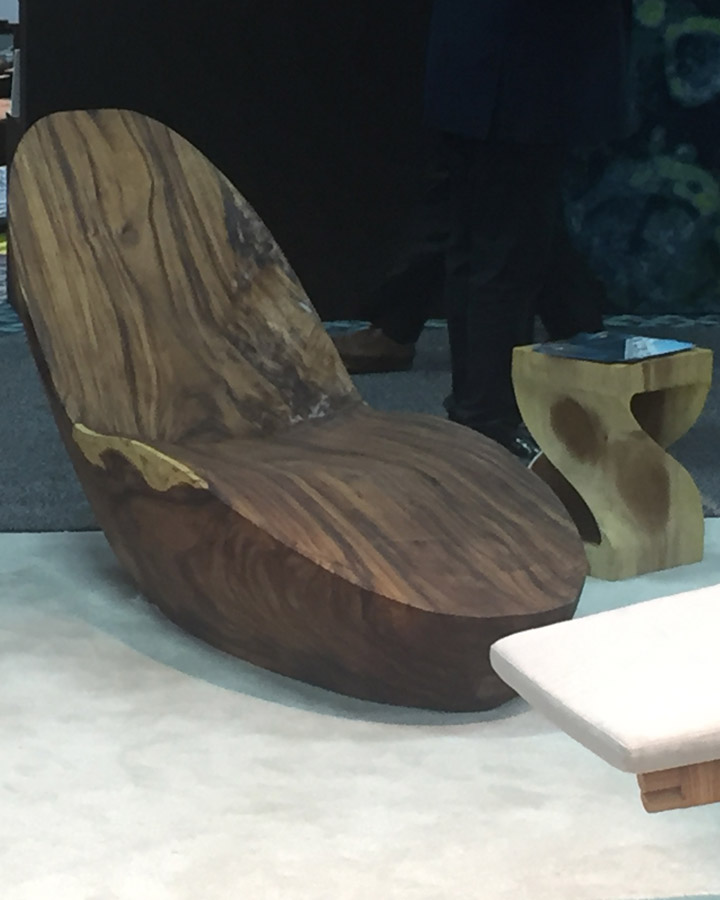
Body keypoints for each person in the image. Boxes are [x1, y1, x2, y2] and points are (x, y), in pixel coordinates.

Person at [333, 0, 634, 460]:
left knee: (480, 235)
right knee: (501, 248)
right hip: (526, 63)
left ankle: (495, 407)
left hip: (484, 54)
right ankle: (485, 424)